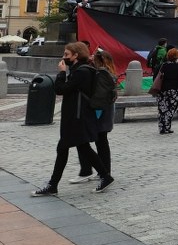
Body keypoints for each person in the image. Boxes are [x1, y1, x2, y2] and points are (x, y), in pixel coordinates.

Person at [32, 42, 113, 196]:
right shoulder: (80, 70)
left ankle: (53, 185)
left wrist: (62, 73)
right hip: (76, 116)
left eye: (67, 54)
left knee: (66, 148)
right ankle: (104, 176)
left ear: (76, 55)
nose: (64, 57)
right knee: (79, 148)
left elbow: (61, 89)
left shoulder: (82, 72)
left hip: (77, 117)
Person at [70, 50, 118, 185]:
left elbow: (99, 96)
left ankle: (90, 171)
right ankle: (104, 170)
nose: (91, 59)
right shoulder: (109, 72)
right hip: (105, 111)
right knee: (101, 141)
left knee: (85, 140)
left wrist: (91, 109)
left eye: (93, 58)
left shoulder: (101, 73)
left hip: (99, 112)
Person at [156, 48, 178, 135]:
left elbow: (155, 78)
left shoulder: (162, 66)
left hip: (161, 90)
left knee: (162, 109)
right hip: (173, 91)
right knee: (171, 109)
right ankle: (167, 126)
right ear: (177, 57)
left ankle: (161, 127)